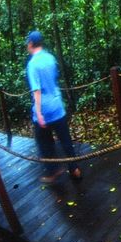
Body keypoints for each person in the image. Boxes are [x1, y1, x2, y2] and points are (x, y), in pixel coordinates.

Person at [25, 31, 82, 183]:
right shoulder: (50, 58)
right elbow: (55, 79)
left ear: (31, 43)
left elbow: (36, 90)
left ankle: (53, 170)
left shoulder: (32, 64)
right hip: (57, 106)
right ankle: (74, 169)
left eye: (27, 43)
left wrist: (39, 113)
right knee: (65, 139)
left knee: (44, 142)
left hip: (44, 109)